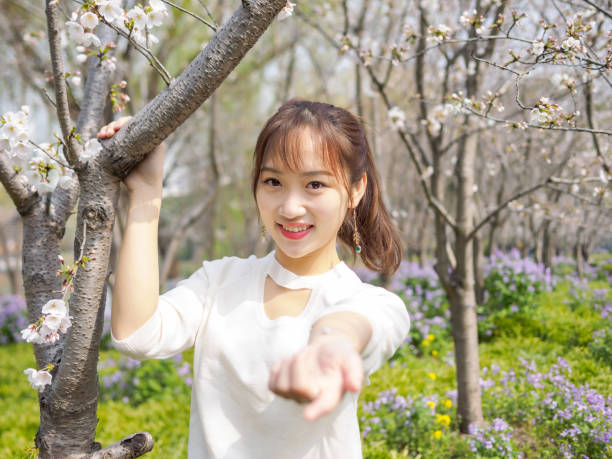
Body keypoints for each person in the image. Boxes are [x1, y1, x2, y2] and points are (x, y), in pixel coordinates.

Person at [102, 99, 410, 459]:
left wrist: (331, 344)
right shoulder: (218, 282)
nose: (290, 207)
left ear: (355, 190)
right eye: (273, 181)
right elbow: (137, 335)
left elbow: (354, 326)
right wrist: (146, 193)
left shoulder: (368, 302)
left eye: (315, 185)